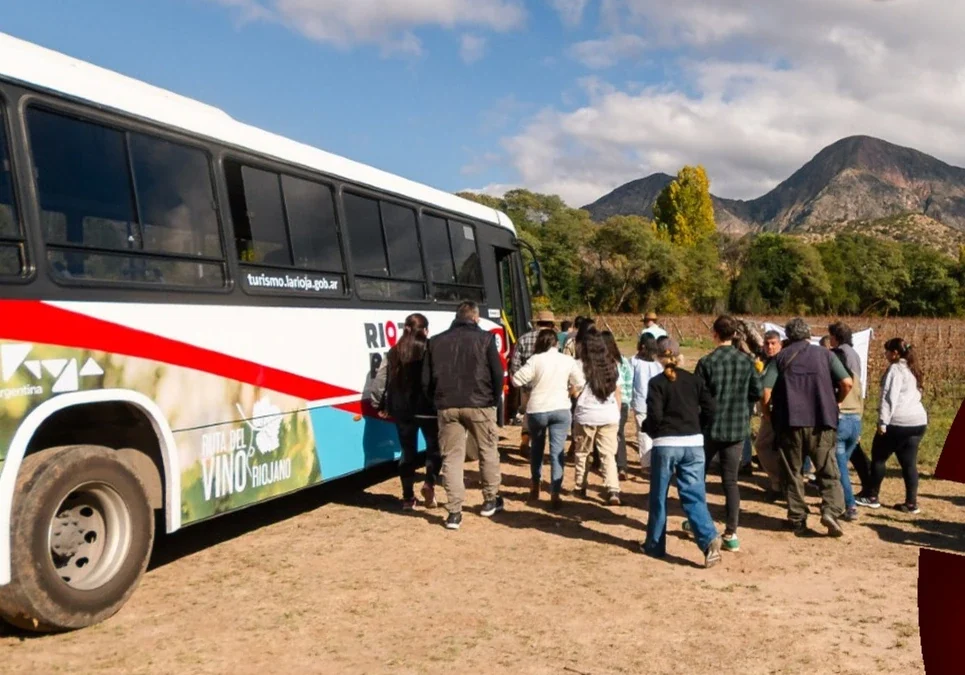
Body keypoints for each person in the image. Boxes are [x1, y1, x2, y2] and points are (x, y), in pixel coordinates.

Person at [762, 318, 853, 537]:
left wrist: (768, 416)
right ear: (808, 334)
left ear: (788, 336)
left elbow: (765, 391)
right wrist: (837, 401)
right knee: (827, 470)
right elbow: (847, 382)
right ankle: (831, 510)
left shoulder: (780, 357)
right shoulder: (826, 354)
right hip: (822, 421)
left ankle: (797, 519)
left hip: (789, 423)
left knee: (792, 473)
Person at [422, 301, 504, 531]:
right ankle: (490, 499)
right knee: (488, 451)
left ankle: (454, 512)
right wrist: (493, 400)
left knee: (451, 458)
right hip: (480, 403)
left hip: (447, 405)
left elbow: (426, 381)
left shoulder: (435, 341)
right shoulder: (486, 339)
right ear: (475, 318)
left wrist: (437, 402)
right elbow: (497, 373)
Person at [641, 339, 721, 568]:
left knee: (659, 496)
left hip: (666, 443)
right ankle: (708, 539)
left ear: (658, 357)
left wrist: (651, 430)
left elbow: (654, 415)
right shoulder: (694, 380)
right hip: (694, 443)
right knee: (694, 495)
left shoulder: (656, 383)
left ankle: (655, 545)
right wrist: (699, 427)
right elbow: (711, 409)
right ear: (679, 355)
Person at [694, 315, 763, 553]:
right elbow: (757, 391)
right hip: (736, 428)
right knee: (730, 481)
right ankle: (732, 532)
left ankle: (700, 523)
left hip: (710, 428)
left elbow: (697, 396)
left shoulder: (706, 362)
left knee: (699, 476)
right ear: (735, 335)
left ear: (714, 333)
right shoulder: (747, 362)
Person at [370, 313, 441, 511]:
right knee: (434, 449)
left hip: (402, 411)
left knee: (407, 452)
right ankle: (429, 484)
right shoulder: (430, 349)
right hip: (427, 409)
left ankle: (408, 497)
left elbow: (378, 384)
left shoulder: (393, 352)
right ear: (425, 330)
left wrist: (379, 405)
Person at [512, 329, 582, 508]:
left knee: (537, 448)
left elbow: (516, 380)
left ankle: (535, 486)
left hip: (538, 408)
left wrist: (533, 384)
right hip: (561, 407)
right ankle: (555, 491)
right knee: (557, 451)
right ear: (556, 343)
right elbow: (580, 381)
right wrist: (570, 391)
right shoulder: (567, 360)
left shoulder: (536, 360)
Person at [858, 338, 928, 513]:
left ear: (895, 353)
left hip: (898, 422)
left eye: (887, 351)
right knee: (909, 463)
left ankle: (872, 495)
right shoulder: (913, 368)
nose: (885, 354)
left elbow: (889, 397)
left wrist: (883, 422)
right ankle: (911, 503)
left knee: (879, 458)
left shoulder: (895, 369)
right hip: (918, 421)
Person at [571, 328, 622, 505]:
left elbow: (575, 390)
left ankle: (580, 486)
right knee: (608, 454)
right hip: (609, 414)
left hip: (586, 414)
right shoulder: (612, 364)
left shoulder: (579, 364)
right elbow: (618, 393)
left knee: (583, 452)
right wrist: (618, 413)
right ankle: (613, 489)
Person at [828, 322, 865, 521]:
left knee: (840, 467)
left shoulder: (836, 373)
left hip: (842, 421)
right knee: (840, 464)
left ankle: (849, 505)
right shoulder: (856, 370)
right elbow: (861, 398)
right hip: (855, 421)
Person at [510, 310, 557, 453]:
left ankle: (526, 441)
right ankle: (540, 444)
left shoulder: (523, 338)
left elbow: (515, 363)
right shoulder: (553, 340)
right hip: (547, 385)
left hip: (527, 385)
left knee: (528, 414)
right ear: (551, 324)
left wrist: (522, 380)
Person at [755, 330, 785, 501]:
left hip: (774, 411)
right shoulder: (767, 361)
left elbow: (766, 390)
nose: (770, 347)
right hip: (772, 411)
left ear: (780, 344)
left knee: (762, 445)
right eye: (767, 343)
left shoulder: (779, 362)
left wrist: (766, 413)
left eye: (773, 343)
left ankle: (777, 483)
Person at [603, 331, 634, 481]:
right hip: (625, 402)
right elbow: (630, 381)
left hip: (610, 401)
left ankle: (606, 463)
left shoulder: (604, 362)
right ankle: (622, 466)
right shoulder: (623, 361)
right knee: (619, 433)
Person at [631, 334, 662, 471]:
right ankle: (657, 460)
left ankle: (646, 463)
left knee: (643, 433)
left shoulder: (634, 361)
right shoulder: (658, 364)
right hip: (657, 403)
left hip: (640, 403)